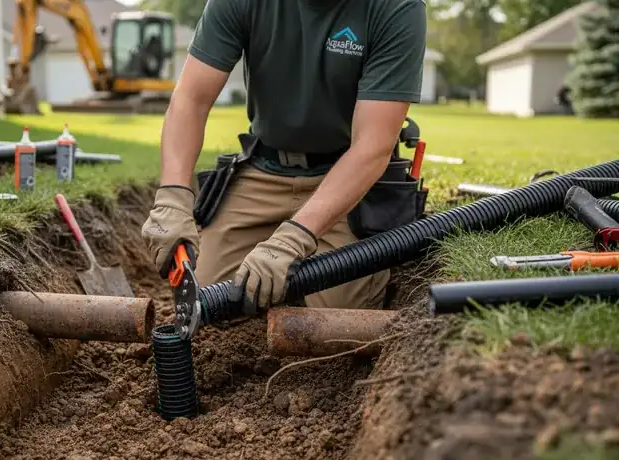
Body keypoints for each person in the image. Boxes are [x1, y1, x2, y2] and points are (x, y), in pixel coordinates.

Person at [141, 0, 428, 313]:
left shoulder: (397, 8)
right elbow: (190, 100)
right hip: (264, 169)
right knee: (210, 301)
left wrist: (294, 237)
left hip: (347, 184)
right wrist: (172, 195)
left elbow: (371, 147)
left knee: (335, 321)